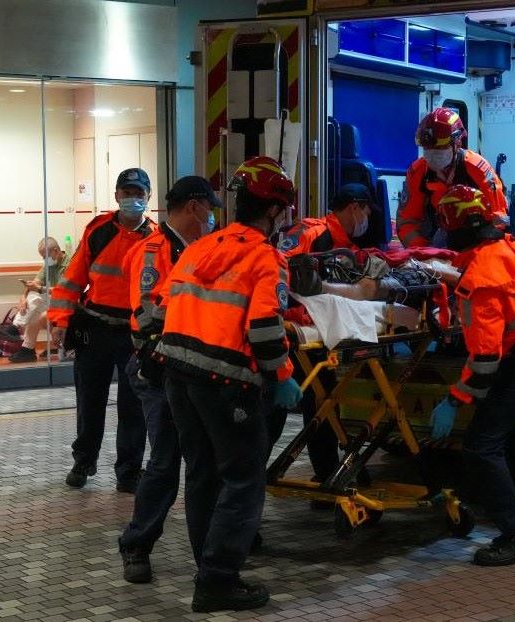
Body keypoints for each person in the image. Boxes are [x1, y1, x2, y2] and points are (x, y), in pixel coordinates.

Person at [156, 156, 302, 613]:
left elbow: (161, 308)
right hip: (225, 382)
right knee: (242, 478)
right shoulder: (265, 258)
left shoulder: (200, 246)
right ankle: (218, 579)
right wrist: (282, 377)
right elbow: (263, 329)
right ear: (275, 211)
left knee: (201, 474)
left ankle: (209, 566)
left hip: (178, 374)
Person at [428, 185, 515, 567]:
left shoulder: (480, 281)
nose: (442, 232)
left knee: (481, 446)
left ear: (459, 226)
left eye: (445, 224)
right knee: (513, 436)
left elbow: (485, 362)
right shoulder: (505, 247)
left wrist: (452, 400)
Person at [118, 176, 221, 584]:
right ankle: (137, 544)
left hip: (193, 367)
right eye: (209, 208)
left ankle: (216, 546)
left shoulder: (202, 249)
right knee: (164, 462)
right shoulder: (153, 251)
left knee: (203, 462)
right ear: (194, 207)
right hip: (158, 368)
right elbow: (146, 312)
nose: (213, 217)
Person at [48, 168, 157, 493]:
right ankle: (84, 461)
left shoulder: (155, 240)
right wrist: (59, 320)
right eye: (127, 193)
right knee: (89, 401)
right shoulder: (98, 231)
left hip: (133, 334)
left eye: (139, 194)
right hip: (94, 330)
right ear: (116, 196)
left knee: (133, 406)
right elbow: (72, 280)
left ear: (148, 198)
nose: (133, 199)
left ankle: (129, 472)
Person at [274, 182, 380, 486]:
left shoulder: (348, 248)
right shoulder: (311, 232)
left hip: (317, 334)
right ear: (354, 207)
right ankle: (252, 477)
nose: (367, 218)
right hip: (292, 332)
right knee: (281, 410)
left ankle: (328, 471)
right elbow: (279, 268)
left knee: (321, 402)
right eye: (366, 211)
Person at [396, 107, 509, 248]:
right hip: (432, 246)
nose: (432, 154)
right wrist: (424, 253)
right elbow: (407, 221)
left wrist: (479, 252)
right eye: (427, 149)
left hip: (477, 242)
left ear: (457, 143)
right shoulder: (418, 172)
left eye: (439, 148)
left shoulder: (477, 168)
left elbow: (499, 218)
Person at [8, 237, 69, 363]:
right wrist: (23, 297)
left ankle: (17, 329)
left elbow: (64, 291)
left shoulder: (69, 264)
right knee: (34, 305)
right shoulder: (49, 265)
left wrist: (40, 288)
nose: (44, 260)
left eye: (45, 256)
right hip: (55, 302)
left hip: (67, 304)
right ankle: (26, 346)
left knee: (37, 301)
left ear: (56, 251)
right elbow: (34, 283)